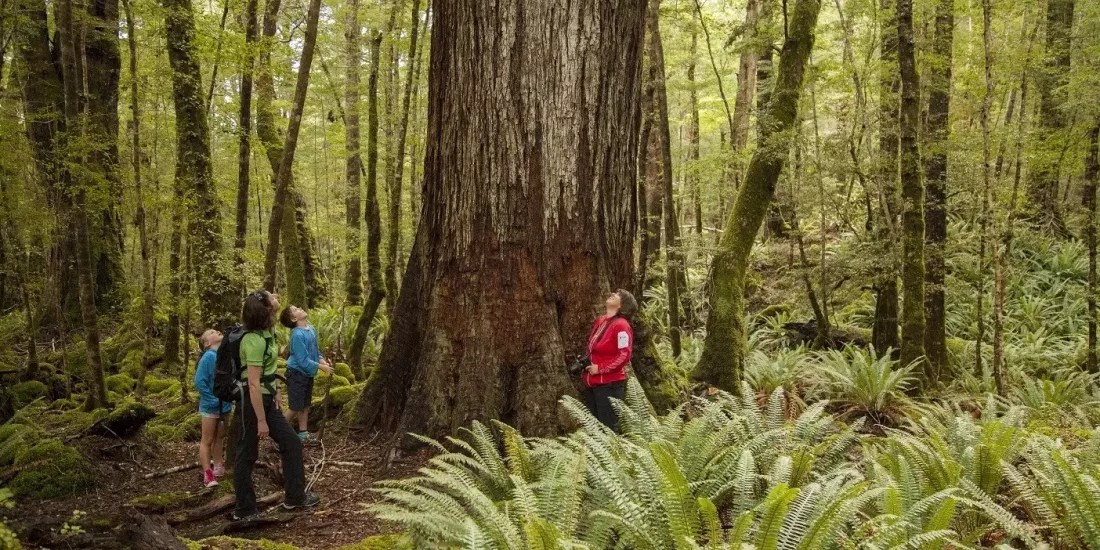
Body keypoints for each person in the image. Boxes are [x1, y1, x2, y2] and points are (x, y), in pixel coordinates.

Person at [233, 289, 319, 521]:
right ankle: (245, 510)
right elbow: (252, 383)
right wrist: (261, 420)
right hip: (251, 403)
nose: (275, 295)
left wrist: (278, 390)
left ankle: (295, 498)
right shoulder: (253, 340)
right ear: (266, 308)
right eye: (271, 296)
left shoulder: (269, 331)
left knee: (291, 443)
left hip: (268, 398)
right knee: (247, 454)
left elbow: (269, 369)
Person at [581, 289, 637, 433]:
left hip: (609, 385)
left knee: (608, 430)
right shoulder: (600, 321)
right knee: (594, 430)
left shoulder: (621, 325)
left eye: (619, 296)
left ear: (622, 305)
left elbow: (624, 355)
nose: (613, 294)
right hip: (592, 384)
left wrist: (600, 368)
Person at [279, 305, 333, 445]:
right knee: (295, 406)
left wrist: (323, 362)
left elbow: (316, 352)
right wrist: (320, 367)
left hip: (308, 373)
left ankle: (303, 433)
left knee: (305, 405)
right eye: (296, 309)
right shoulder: (297, 335)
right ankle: (278, 432)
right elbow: (302, 360)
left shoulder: (311, 329)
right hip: (296, 373)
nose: (301, 308)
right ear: (294, 318)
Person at [194, 329, 231, 488]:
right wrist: (212, 399)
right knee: (207, 439)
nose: (216, 331)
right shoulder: (208, 357)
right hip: (211, 406)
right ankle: (207, 474)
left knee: (220, 436)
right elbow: (200, 381)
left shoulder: (223, 354)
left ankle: (218, 465)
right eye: (210, 332)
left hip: (225, 404)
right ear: (207, 343)